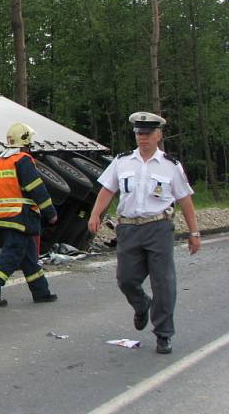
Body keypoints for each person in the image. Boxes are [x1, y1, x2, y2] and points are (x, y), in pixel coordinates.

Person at [87, 112, 200, 355]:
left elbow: (186, 200)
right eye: (139, 134)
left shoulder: (170, 165)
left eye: (147, 134)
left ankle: (163, 334)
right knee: (126, 279)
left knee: (164, 282)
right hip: (128, 227)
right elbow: (108, 189)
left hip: (158, 227)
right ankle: (141, 305)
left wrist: (194, 232)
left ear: (158, 135)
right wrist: (96, 214)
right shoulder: (122, 161)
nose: (142, 138)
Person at [0, 122, 58, 307]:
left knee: (29, 258)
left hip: (6, 215)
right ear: (26, 140)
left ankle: (41, 292)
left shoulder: (1, 161)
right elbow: (37, 189)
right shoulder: (23, 160)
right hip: (22, 216)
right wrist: (50, 213)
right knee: (11, 256)